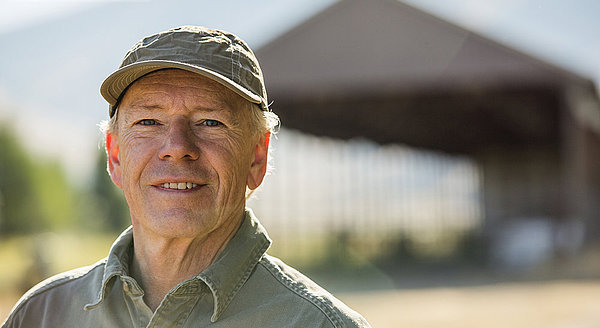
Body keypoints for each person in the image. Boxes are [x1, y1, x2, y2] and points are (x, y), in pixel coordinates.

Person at [2, 26, 371, 328]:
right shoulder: (41, 316)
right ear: (115, 155)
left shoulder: (320, 325)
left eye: (210, 122)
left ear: (257, 156)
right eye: (149, 121)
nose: (177, 147)